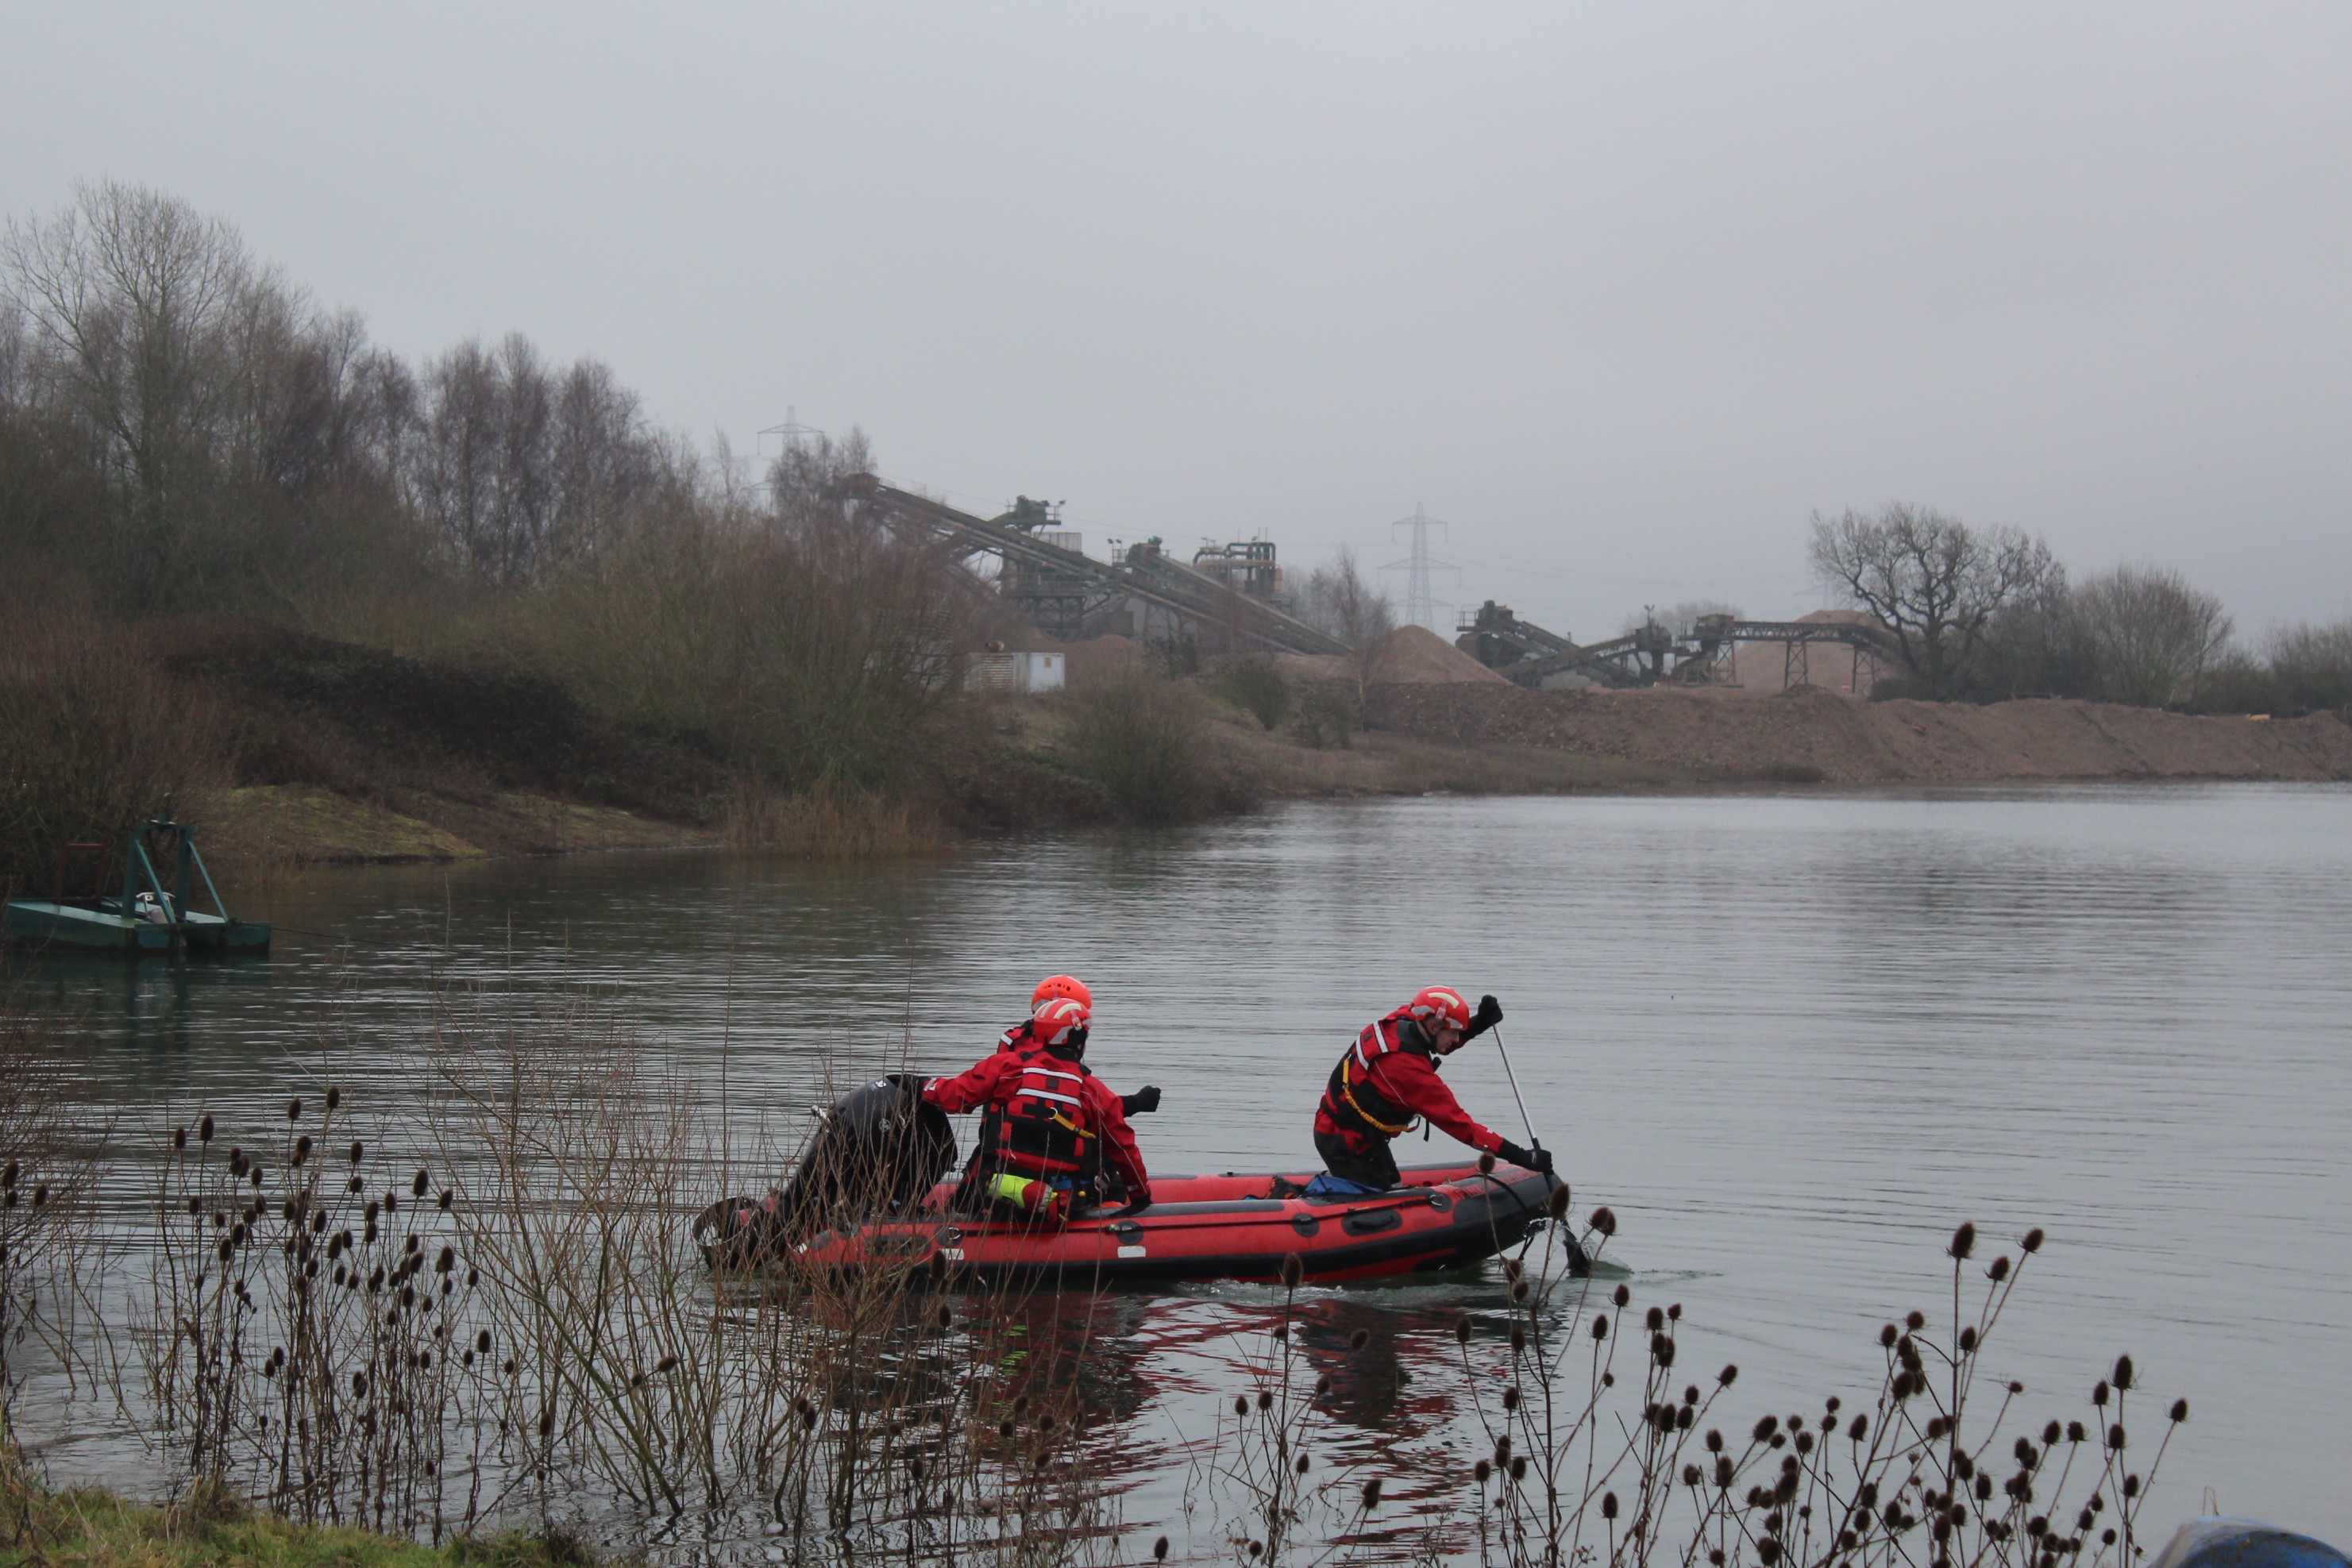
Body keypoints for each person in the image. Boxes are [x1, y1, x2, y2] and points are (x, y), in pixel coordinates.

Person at [920, 995, 1151, 1223]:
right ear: (1078, 1040)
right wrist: (1142, 1198)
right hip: (1057, 1208)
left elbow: (952, 1095)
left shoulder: (1007, 1067)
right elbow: (1124, 1149)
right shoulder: (1091, 1090)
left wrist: (920, 1086)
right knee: (1102, 1165)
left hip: (996, 1196)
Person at [1312, 985, 1552, 1192]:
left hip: (1360, 1135)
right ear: (1434, 1025)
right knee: (1373, 1201)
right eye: (1454, 1032)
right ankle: (1299, 1199)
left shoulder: (1406, 1019)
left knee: (1391, 1187)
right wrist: (1522, 1156)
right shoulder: (1407, 1071)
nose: (1457, 1040)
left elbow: (1439, 1042)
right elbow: (1461, 1125)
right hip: (1342, 1140)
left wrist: (1481, 1023)